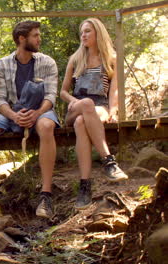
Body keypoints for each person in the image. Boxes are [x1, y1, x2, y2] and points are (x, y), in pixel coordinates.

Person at [0, 21, 60, 218]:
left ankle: (46, 196)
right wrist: (14, 115)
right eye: (35, 35)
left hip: (40, 111)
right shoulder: (2, 65)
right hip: (12, 112)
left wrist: (36, 113)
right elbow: (0, 100)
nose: (39, 39)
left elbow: (50, 97)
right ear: (22, 39)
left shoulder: (47, 62)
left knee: (46, 125)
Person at [60, 18, 128, 210]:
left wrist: (114, 111)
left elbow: (114, 90)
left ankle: (85, 186)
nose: (83, 35)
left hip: (100, 107)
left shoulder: (111, 59)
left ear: (98, 33)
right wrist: (74, 102)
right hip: (76, 106)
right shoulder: (75, 59)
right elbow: (63, 92)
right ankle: (109, 161)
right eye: (82, 32)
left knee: (82, 123)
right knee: (84, 107)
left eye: (88, 31)